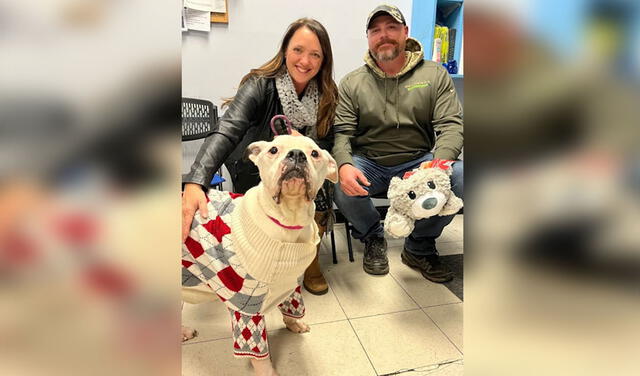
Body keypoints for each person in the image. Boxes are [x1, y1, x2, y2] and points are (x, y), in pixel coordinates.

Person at [182, 18, 338, 295]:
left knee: (319, 196)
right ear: (285, 51)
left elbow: (327, 140)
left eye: (315, 54)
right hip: (256, 164)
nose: (305, 61)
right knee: (262, 223)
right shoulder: (260, 84)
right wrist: (196, 181)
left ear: (324, 60)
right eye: (298, 50)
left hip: (304, 166)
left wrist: (310, 145)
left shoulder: (327, 94)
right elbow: (227, 130)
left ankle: (306, 260)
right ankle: (255, 273)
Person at [332, 4, 464, 282]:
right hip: (370, 163)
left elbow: (450, 124)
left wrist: (438, 164)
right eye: (376, 30)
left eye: (391, 27)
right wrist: (343, 164)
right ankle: (373, 237)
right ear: (368, 38)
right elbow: (342, 133)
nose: (384, 35)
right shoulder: (352, 83)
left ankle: (419, 246)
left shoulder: (434, 74)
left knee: (463, 177)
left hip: (419, 161)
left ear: (405, 32)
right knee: (340, 183)